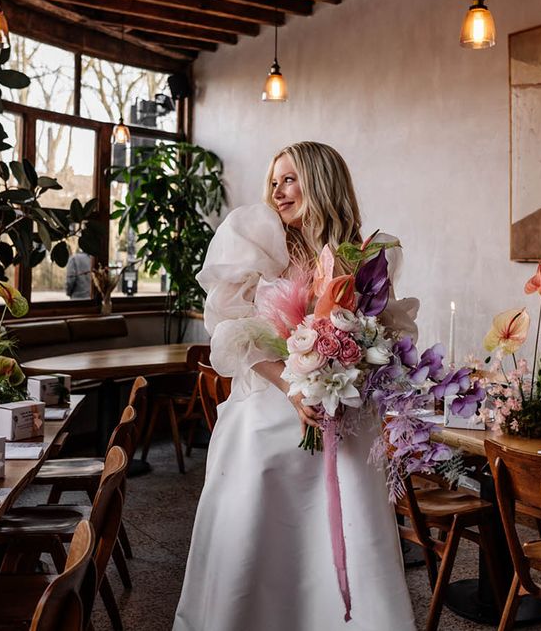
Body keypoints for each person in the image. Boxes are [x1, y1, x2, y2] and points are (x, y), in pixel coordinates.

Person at [172, 142, 417, 631]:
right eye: (275, 182)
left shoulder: (359, 255)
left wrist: (354, 368)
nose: (278, 192)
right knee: (261, 537)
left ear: (322, 181)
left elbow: (380, 331)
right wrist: (295, 387)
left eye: (290, 179)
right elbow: (236, 332)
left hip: (342, 418)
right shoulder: (258, 241)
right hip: (270, 413)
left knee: (350, 527)